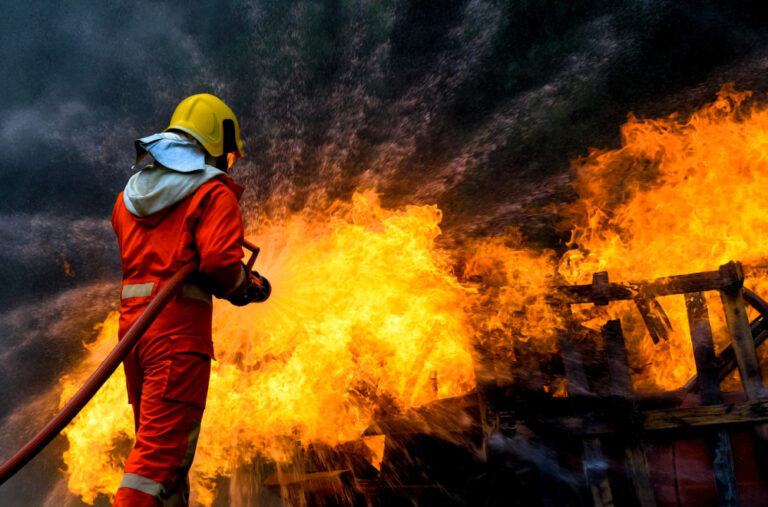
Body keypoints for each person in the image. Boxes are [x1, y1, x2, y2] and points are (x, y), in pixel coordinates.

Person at [110, 93, 270, 506]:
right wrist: (245, 286)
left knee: (161, 450)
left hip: (134, 337)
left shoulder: (128, 198)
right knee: (157, 464)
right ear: (216, 144)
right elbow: (219, 263)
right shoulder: (212, 193)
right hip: (177, 338)